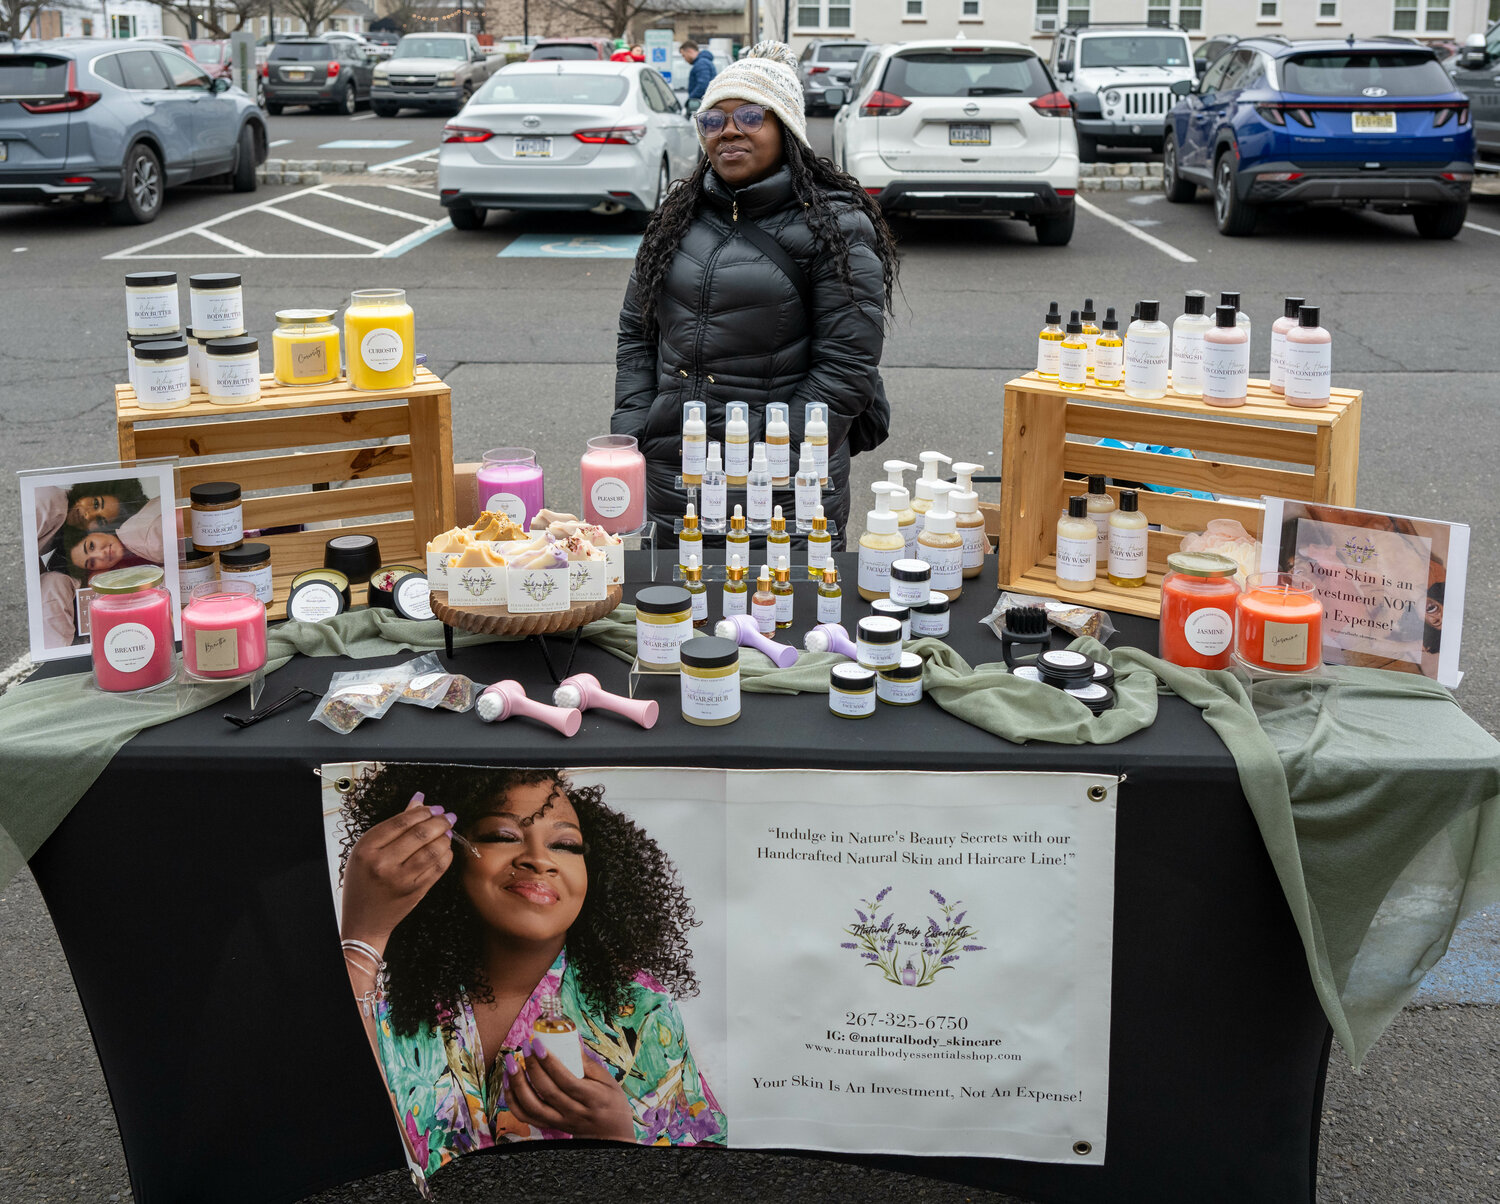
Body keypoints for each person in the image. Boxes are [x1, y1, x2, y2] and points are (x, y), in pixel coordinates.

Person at [338, 766, 725, 1182]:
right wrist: (363, 935)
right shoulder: (381, 993)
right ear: (443, 857)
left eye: (565, 845)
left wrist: (618, 1144)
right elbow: (333, 1135)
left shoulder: (640, 1010)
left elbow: (703, 1183)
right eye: (503, 836)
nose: (539, 860)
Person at [612, 41, 899, 545]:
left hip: (785, 484)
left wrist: (774, 454)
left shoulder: (835, 224)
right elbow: (637, 333)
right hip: (673, 472)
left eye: (749, 115)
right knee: (675, 614)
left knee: (786, 616)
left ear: (785, 128)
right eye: (712, 119)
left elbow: (847, 365)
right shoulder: (678, 217)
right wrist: (636, 428)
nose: (728, 130)